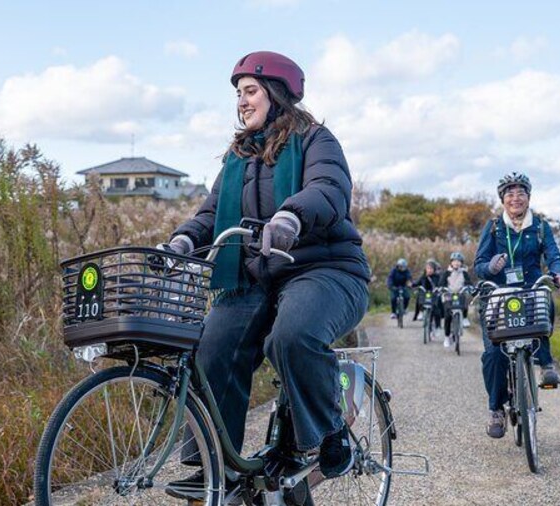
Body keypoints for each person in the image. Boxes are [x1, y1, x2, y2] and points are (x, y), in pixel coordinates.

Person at [162, 51, 370, 493]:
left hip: (326, 269)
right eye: (238, 94)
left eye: (250, 91)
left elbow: (328, 189)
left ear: (276, 94)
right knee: (214, 345)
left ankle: (330, 431)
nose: (242, 101)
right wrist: (182, 241)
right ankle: (217, 464)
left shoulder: (316, 140)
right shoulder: (237, 158)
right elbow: (211, 213)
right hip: (259, 277)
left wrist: (292, 217)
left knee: (291, 336)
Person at [473, 172, 560, 439]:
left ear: (529, 197)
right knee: (494, 355)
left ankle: (546, 364)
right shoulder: (493, 227)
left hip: (529, 294)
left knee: (544, 301)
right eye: (510, 194)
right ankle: (496, 409)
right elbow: (479, 265)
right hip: (499, 297)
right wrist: (490, 266)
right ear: (502, 199)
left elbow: (554, 255)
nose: (515, 198)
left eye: (521, 193)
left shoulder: (540, 226)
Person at [439, 251, 472, 347]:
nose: (456, 263)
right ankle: (446, 337)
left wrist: (469, 287)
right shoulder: (447, 272)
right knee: (448, 315)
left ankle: (465, 318)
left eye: (459, 261)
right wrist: (441, 288)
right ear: (451, 262)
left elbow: (469, 282)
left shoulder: (464, 272)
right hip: (449, 295)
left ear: (461, 263)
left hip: (460, 293)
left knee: (465, 301)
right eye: (454, 261)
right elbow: (441, 283)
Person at [412, 259, 443, 336]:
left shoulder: (437, 277)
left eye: (431, 268)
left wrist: (439, 289)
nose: (429, 270)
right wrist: (412, 285)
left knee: (436, 311)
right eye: (427, 268)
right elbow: (417, 283)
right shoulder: (423, 277)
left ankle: (438, 326)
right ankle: (421, 312)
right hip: (425, 295)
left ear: (434, 269)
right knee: (419, 298)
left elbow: (441, 284)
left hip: (433, 296)